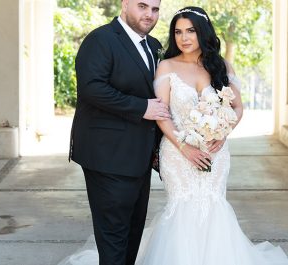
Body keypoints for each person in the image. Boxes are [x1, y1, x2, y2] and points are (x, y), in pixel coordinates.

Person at [61, 6, 288, 265]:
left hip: (200, 155)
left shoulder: (179, 54)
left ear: (202, 32)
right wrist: (182, 144)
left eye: (190, 31)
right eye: (178, 31)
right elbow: (148, 108)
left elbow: (236, 107)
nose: (184, 37)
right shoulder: (119, 47)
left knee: (144, 226)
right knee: (129, 228)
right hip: (150, 153)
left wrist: (223, 132)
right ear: (125, 3)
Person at [67, 0, 169, 264]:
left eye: (155, 9)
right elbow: (92, 88)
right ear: (125, 4)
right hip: (106, 156)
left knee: (133, 234)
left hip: (140, 158)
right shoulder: (100, 40)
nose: (149, 14)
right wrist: (141, 107)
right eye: (142, 6)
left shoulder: (155, 46)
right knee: (113, 238)